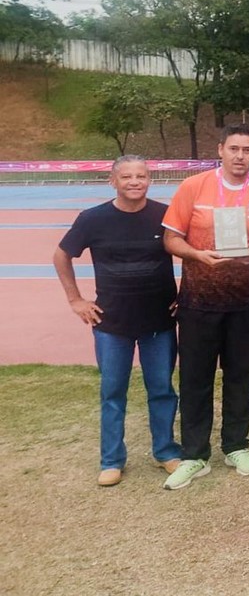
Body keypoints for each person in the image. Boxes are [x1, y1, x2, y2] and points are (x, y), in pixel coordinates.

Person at [161, 125, 249, 490]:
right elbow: (170, 239)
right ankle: (195, 454)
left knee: (241, 376)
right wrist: (197, 254)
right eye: (234, 149)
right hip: (198, 300)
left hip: (245, 301)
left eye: (247, 149)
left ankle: (236, 445)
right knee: (195, 379)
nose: (240, 155)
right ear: (221, 150)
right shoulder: (193, 187)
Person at [53, 155, 181, 487]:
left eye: (141, 176)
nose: (135, 182)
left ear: (150, 179)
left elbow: (191, 251)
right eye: (127, 177)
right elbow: (61, 255)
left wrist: (187, 294)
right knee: (113, 392)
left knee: (162, 390)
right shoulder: (92, 219)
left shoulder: (165, 215)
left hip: (159, 322)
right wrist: (75, 300)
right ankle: (111, 460)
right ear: (114, 181)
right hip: (111, 324)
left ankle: (165, 452)